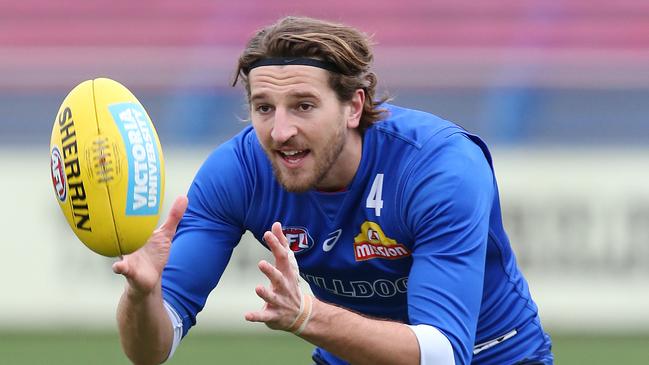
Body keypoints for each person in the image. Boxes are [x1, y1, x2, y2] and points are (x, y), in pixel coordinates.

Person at [113, 16, 553, 365]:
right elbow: (152, 350)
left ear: (353, 107)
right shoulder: (238, 173)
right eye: (263, 108)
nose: (280, 131)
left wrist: (309, 316)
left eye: (303, 106)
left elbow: (441, 355)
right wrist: (142, 297)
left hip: (492, 355)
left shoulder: (439, 168)